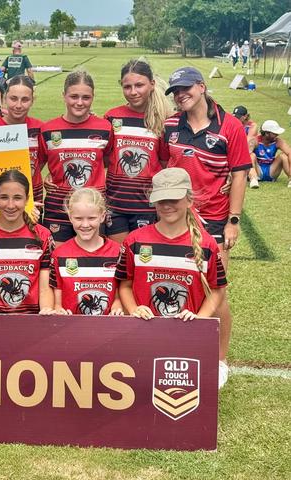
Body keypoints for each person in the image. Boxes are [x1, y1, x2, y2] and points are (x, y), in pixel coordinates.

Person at [161, 66, 250, 387]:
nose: (181, 95)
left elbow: (239, 174)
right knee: (178, 285)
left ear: (202, 87)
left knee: (216, 292)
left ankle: (221, 359)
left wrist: (233, 221)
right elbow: (163, 165)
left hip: (213, 220)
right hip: (173, 220)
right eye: (176, 91)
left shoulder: (231, 126)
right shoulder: (170, 125)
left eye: (186, 88)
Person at [116, 167, 226, 325]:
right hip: (141, 333)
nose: (166, 206)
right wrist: (134, 309)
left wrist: (200, 318)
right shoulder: (134, 240)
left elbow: (216, 289)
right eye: (161, 200)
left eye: (173, 199)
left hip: (187, 335)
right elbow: (125, 285)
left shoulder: (207, 244)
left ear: (189, 200)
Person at [38, 70, 114, 245]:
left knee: (93, 263)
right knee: (57, 264)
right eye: (74, 96)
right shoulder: (48, 130)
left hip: (92, 212)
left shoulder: (105, 128)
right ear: (63, 95)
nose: (79, 103)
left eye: (86, 97)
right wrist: (45, 180)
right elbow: (39, 166)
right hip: (57, 210)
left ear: (93, 97)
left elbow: (108, 162)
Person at [104, 59, 172, 244]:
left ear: (152, 84)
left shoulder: (164, 119)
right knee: (118, 261)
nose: (133, 92)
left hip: (147, 206)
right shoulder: (112, 117)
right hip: (114, 204)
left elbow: (166, 165)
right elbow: (101, 160)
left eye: (139, 85)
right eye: (127, 87)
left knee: (142, 262)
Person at [0, 170, 53, 314]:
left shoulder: (43, 236)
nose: (10, 205)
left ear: (27, 199)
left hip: (31, 322)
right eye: (3, 197)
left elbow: (45, 288)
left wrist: (46, 312)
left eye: (17, 198)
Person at [48, 188, 123, 315]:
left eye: (91, 218)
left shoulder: (117, 252)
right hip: (70, 330)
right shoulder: (59, 254)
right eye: (78, 218)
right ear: (70, 217)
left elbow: (118, 296)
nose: (85, 224)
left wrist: (117, 308)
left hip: (109, 330)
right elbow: (57, 303)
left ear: (102, 216)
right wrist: (58, 311)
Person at [0, 75, 43, 203]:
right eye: (13, 99)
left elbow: (42, 160)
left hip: (32, 199)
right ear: (5, 98)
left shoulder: (40, 128)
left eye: (25, 100)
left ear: (33, 100)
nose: (18, 105)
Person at [249, 120, 291, 189]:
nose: (277, 135)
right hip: (258, 170)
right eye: (274, 133)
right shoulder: (255, 141)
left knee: (283, 156)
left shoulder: (278, 141)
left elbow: (290, 152)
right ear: (267, 133)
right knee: (251, 155)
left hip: (272, 170)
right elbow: (246, 155)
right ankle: (253, 179)